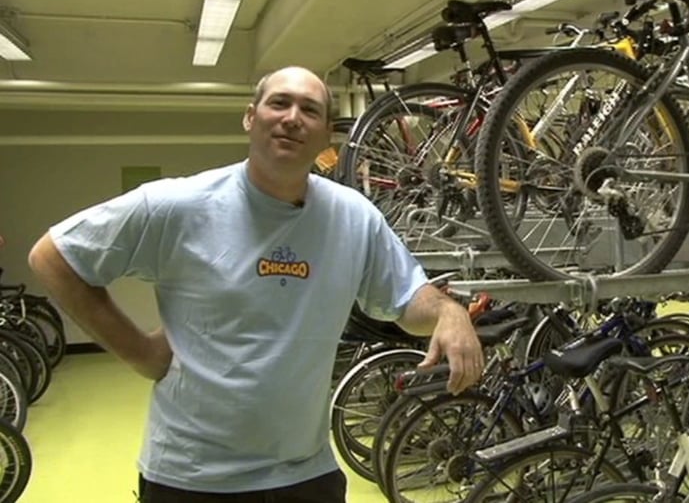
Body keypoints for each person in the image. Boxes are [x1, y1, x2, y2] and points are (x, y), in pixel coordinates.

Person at [27, 66, 484, 502]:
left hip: (306, 474)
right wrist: (140, 352)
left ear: (326, 135)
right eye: (278, 103)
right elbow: (53, 257)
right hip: (192, 477)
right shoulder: (179, 205)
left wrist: (448, 311)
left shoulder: (353, 215)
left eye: (309, 110)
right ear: (250, 117)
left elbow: (406, 299)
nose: (291, 118)